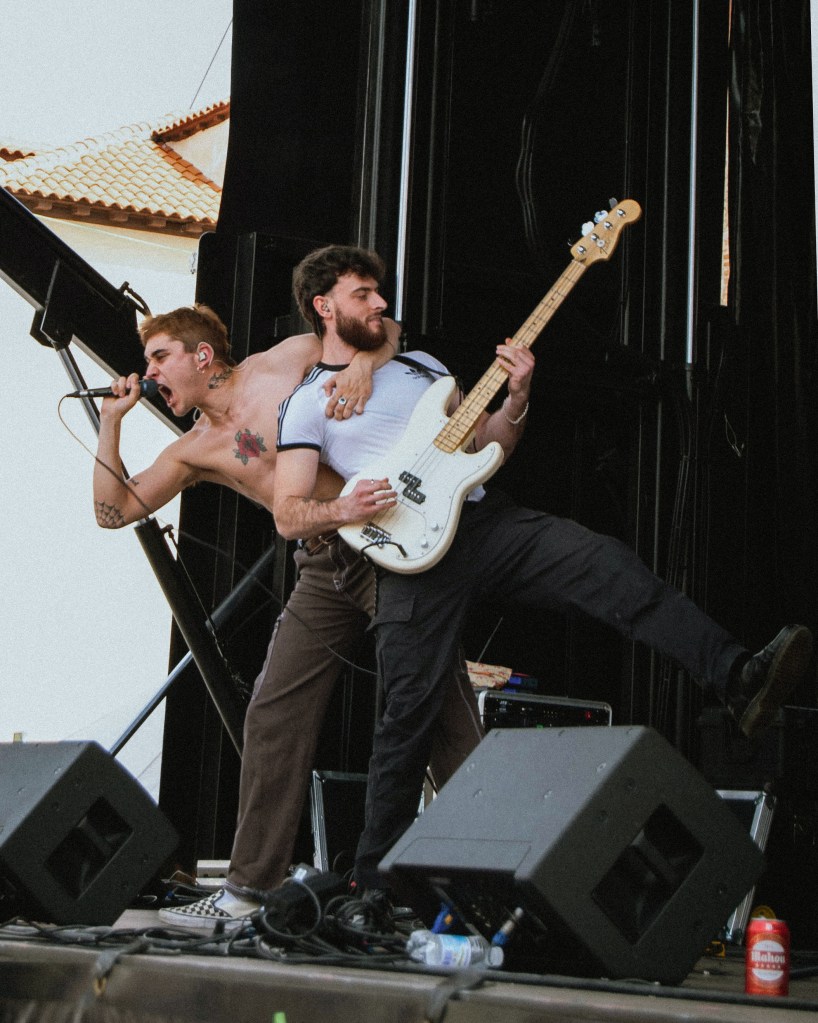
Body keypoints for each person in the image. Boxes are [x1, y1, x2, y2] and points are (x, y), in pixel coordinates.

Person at [272, 243, 814, 894]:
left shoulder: (423, 368)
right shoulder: (307, 403)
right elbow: (288, 514)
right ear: (323, 305)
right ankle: (372, 887)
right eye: (363, 294)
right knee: (405, 718)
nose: (381, 302)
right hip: (410, 556)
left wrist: (518, 396)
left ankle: (738, 676)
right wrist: (343, 505)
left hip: (483, 521)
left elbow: (486, 447)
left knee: (610, 566)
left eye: (379, 292)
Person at [92, 303, 484, 931]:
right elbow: (113, 511)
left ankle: (495, 879)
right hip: (324, 561)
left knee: (440, 708)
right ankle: (249, 890)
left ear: (201, 356)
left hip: (388, 537)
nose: (150, 372)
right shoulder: (193, 448)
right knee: (274, 711)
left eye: (159, 356)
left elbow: (385, 333)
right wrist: (111, 423)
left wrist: (360, 366)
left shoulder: (285, 360)